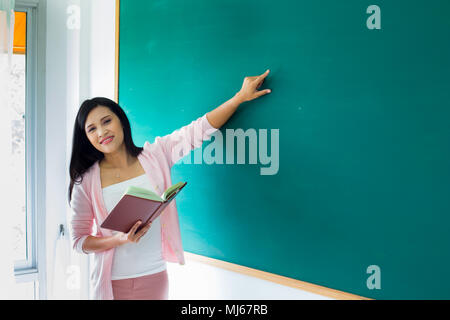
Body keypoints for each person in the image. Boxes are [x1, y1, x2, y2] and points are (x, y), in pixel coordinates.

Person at [68, 70, 271, 300]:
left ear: (121, 121)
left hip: (155, 277)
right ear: (86, 137)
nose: (102, 132)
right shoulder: (86, 182)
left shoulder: (156, 155)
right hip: (112, 284)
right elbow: (78, 241)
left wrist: (239, 98)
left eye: (107, 121)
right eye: (92, 128)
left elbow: (197, 131)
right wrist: (118, 239)